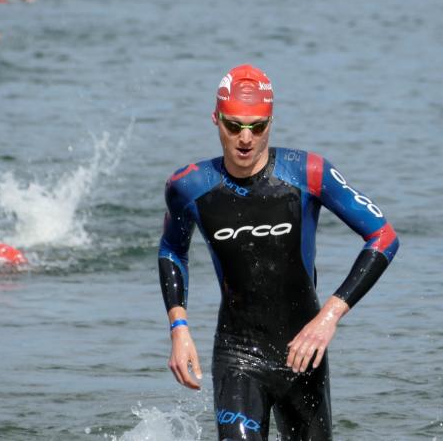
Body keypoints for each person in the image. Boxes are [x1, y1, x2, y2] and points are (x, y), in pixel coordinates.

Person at [158, 64, 399, 440]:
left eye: (257, 127)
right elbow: (173, 249)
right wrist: (179, 327)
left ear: (271, 121)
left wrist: (328, 317)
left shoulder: (308, 173)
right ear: (216, 119)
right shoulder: (188, 185)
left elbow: (383, 236)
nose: (245, 138)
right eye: (234, 125)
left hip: (304, 354)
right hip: (238, 354)